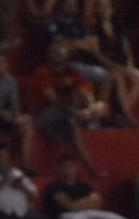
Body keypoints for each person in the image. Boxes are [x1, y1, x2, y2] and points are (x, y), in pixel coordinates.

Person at [31, 41, 108, 175]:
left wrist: (91, 107)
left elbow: (85, 91)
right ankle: (86, 121)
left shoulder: (72, 71)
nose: (58, 56)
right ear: (49, 56)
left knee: (76, 123)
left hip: (65, 116)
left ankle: (91, 168)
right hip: (42, 116)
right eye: (55, 53)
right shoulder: (43, 72)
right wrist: (77, 113)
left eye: (61, 53)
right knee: (72, 116)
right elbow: (55, 102)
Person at [44, 154, 135, 219]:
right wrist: (86, 202)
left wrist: (79, 204)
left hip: (89, 213)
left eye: (71, 167)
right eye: (65, 167)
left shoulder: (83, 185)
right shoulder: (55, 187)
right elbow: (69, 206)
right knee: (68, 218)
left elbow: (98, 202)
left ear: (76, 168)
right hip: (68, 216)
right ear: (60, 169)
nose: (69, 170)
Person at [92, 0, 139, 128]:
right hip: (106, 63)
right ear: (98, 9)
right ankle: (128, 116)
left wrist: (130, 62)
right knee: (119, 78)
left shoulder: (117, 23)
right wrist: (110, 64)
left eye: (106, 7)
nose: (104, 10)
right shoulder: (94, 26)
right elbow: (96, 52)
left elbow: (125, 44)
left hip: (121, 62)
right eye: (101, 7)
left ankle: (124, 110)